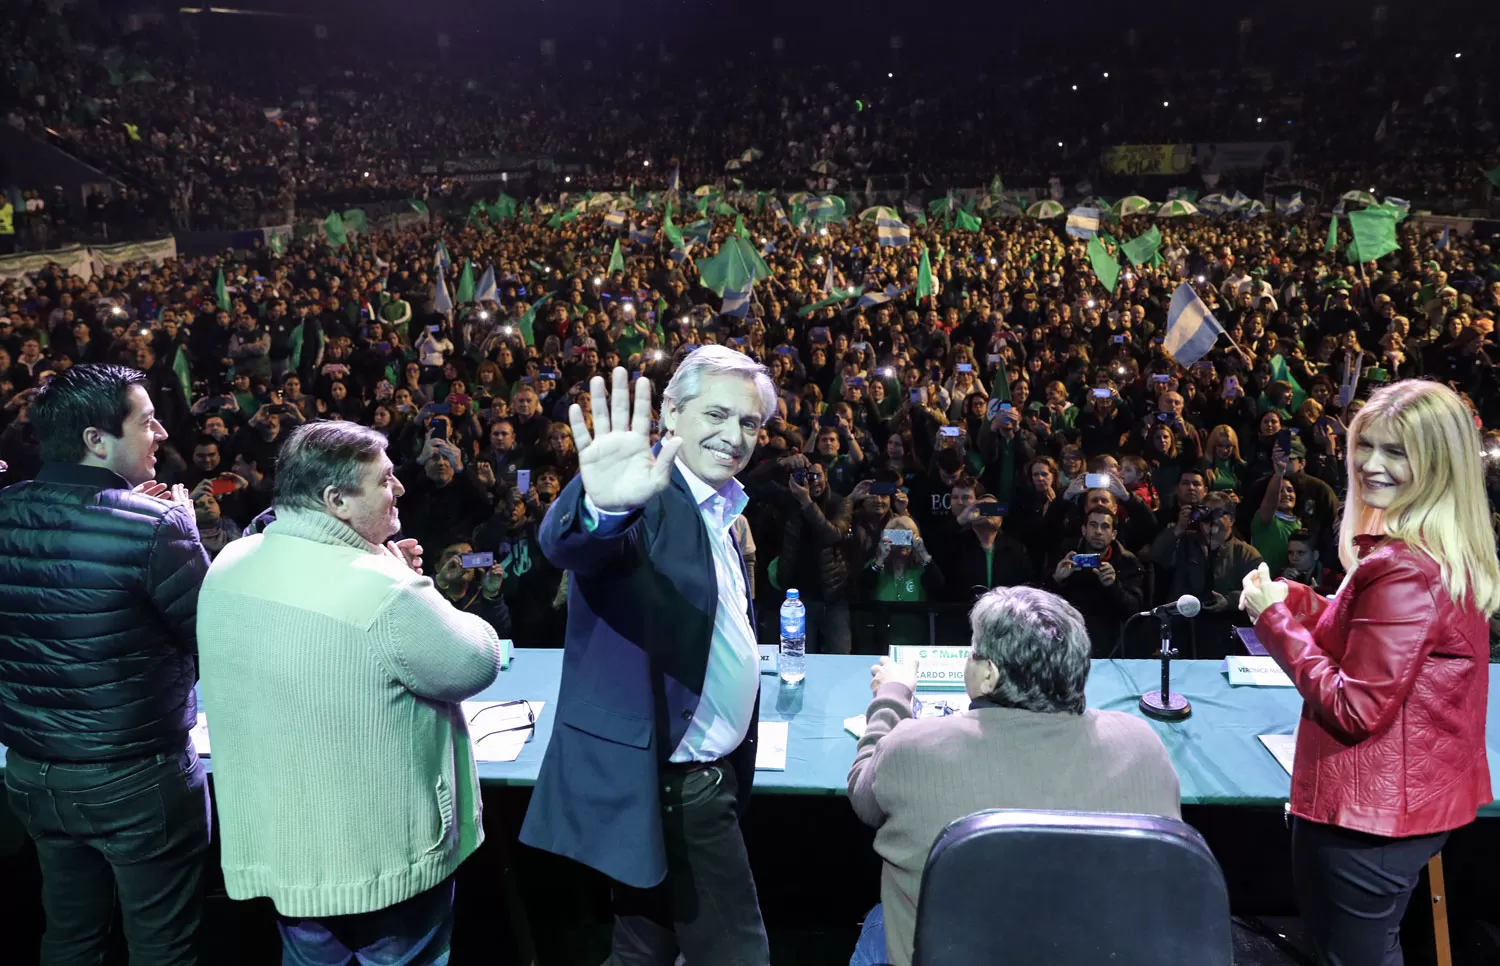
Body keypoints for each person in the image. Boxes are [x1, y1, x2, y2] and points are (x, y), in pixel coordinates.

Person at [196, 422, 503, 964]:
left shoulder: (228, 564)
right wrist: (399, 575)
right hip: (382, 861)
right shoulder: (384, 587)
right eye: (384, 480)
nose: (400, 489)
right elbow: (476, 660)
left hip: (286, 850)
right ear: (335, 500)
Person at [521, 347, 774, 965]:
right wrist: (603, 506)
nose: (733, 435)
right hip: (676, 787)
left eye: (749, 423)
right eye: (717, 414)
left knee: (643, 945)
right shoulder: (645, 495)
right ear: (671, 413)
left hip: (688, 777)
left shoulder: (726, 508)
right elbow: (569, 542)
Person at [1240, 380, 1500, 966]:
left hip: (1370, 819)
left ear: (1439, 463)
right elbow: (1362, 626)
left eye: (1396, 452)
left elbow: (1355, 708)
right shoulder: (1433, 547)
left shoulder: (1404, 568)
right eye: (1367, 446)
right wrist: (1297, 598)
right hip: (1401, 807)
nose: (1370, 465)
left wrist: (1272, 621)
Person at [0, 363, 212, 964]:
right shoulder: (157, 525)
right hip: (136, 781)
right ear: (97, 440)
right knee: (162, 946)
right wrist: (184, 536)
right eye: (146, 422)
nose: (162, 433)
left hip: (33, 773)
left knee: (69, 937)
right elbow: (212, 635)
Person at [846, 586, 1181, 966]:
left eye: (973, 652)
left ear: (988, 674)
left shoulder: (912, 747)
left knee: (878, 922)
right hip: (1096, 951)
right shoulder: (1143, 746)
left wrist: (891, 695)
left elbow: (863, 794)